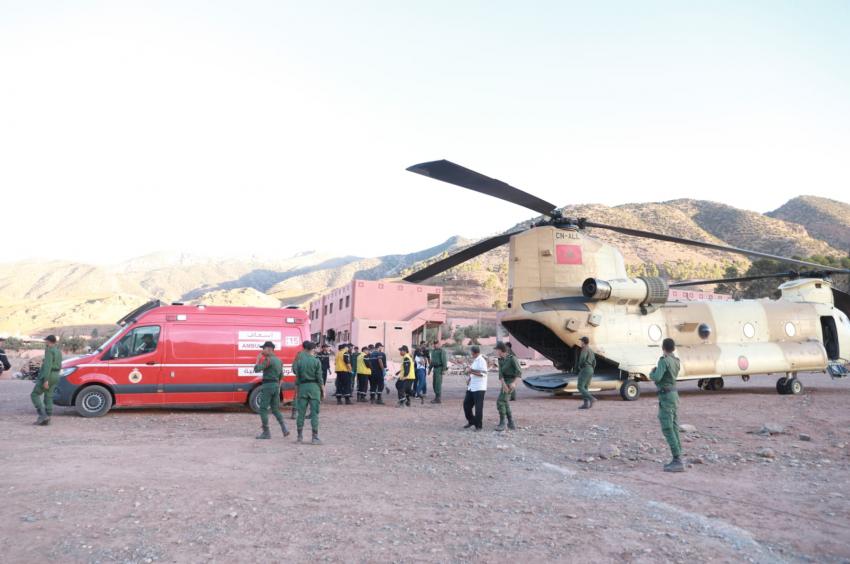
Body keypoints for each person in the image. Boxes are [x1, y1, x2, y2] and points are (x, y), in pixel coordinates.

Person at [650, 338, 684, 472]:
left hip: (666, 397)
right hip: (673, 396)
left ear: (663, 347)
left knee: (667, 427)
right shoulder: (676, 361)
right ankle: (678, 455)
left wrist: (652, 373)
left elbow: (657, 377)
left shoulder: (663, 361)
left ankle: (677, 459)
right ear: (673, 348)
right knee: (674, 426)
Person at [254, 341, 289, 439]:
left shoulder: (268, 359)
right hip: (276, 386)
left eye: (263, 349)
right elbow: (281, 376)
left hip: (268, 386)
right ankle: (284, 428)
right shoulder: (279, 360)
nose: (262, 351)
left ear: (269, 349)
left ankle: (266, 433)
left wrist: (258, 359)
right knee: (275, 409)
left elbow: (257, 369)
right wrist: (278, 387)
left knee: (263, 409)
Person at [293, 340, 324, 444]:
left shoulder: (299, 361)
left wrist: (297, 388)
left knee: (301, 413)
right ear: (313, 349)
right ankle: (314, 438)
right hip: (314, 388)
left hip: (302, 388)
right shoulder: (316, 361)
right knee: (314, 413)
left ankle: (299, 437)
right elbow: (319, 378)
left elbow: (297, 376)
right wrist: (323, 389)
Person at [31, 335, 63, 425]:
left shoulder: (49, 350)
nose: (45, 342)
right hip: (56, 375)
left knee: (34, 394)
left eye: (46, 341)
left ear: (49, 341)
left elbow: (47, 366)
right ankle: (48, 417)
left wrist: (46, 380)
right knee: (48, 396)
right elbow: (60, 365)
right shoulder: (58, 351)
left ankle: (42, 415)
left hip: (48, 375)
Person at [494, 342, 521, 431]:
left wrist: (514, 383)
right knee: (505, 401)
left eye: (497, 350)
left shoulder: (512, 358)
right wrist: (503, 384)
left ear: (501, 350)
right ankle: (510, 422)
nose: (496, 351)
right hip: (505, 382)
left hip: (511, 381)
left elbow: (519, 372)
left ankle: (503, 423)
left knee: (500, 401)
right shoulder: (500, 359)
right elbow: (500, 374)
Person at [462, 345, 488, 431]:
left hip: (479, 388)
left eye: (471, 352)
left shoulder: (482, 361)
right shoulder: (475, 360)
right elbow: (472, 371)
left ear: (475, 352)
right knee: (466, 405)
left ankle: (479, 426)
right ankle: (471, 421)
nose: (471, 354)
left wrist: (471, 371)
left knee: (478, 407)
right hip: (471, 387)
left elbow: (483, 373)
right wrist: (469, 379)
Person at [576, 336, 597, 410]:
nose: (580, 342)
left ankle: (591, 398)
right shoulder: (590, 350)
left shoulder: (584, 349)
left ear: (583, 342)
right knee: (585, 387)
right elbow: (594, 361)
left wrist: (580, 366)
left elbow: (582, 359)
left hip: (585, 368)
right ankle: (585, 404)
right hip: (591, 369)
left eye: (581, 341)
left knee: (580, 386)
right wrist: (592, 369)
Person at [429, 340, 447, 404]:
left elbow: (444, 361)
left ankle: (438, 399)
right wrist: (429, 369)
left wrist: (443, 370)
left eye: (436, 344)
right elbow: (432, 361)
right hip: (435, 369)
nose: (435, 345)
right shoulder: (433, 351)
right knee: (434, 384)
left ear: (439, 344)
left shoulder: (442, 351)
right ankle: (436, 397)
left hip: (439, 369)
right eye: (434, 344)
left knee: (438, 384)